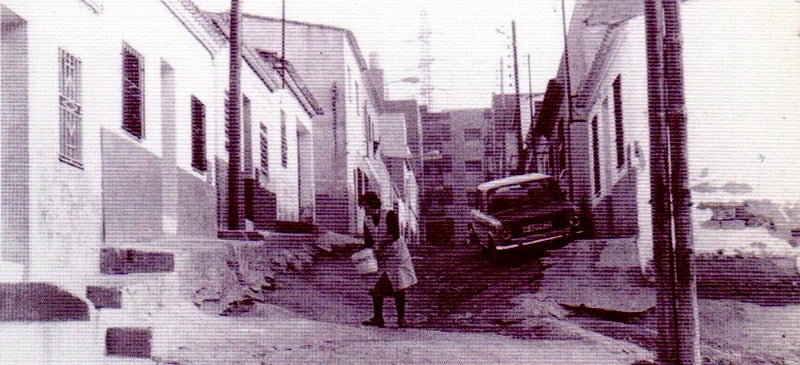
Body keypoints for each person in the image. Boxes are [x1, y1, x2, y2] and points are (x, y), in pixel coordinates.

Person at [358, 191, 417, 328]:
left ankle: (401, 319)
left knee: (398, 284)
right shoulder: (367, 221)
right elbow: (368, 241)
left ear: (372, 204)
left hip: (396, 255)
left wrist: (380, 244)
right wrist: (366, 253)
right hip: (381, 256)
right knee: (376, 284)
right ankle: (378, 317)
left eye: (366, 206)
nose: (364, 209)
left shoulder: (389, 215)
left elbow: (394, 235)